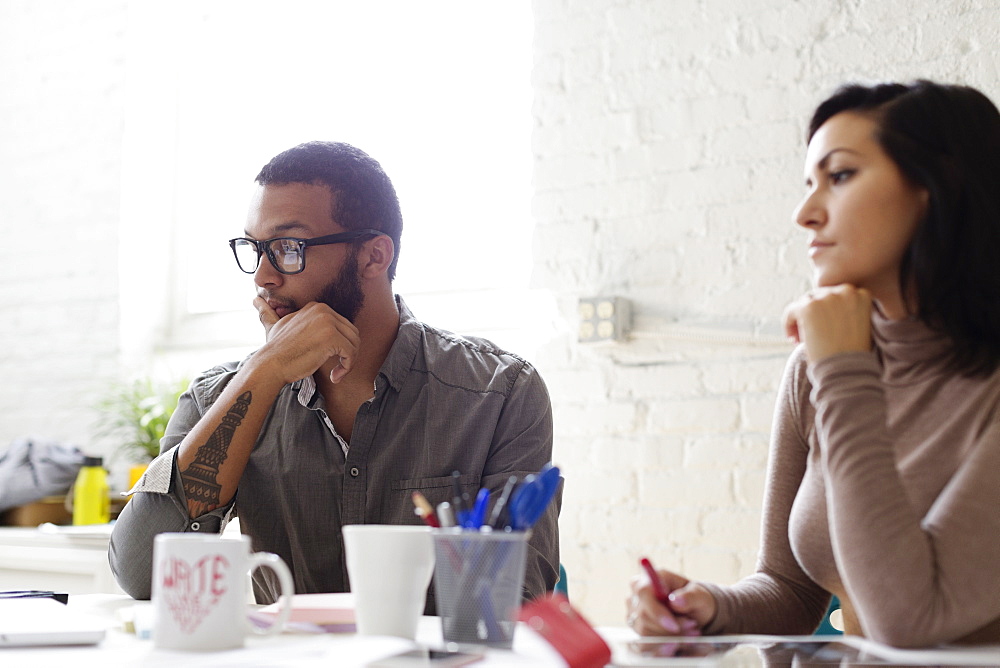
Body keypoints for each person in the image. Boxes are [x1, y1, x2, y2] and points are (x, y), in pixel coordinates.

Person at [627, 80, 1000, 647]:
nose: (805, 213)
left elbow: (909, 620)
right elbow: (792, 591)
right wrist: (710, 607)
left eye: (840, 175)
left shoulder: (838, 365)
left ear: (937, 185)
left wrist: (845, 370)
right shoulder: (818, 365)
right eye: (808, 183)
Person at [109, 141, 560, 609]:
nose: (263, 276)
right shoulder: (220, 394)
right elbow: (143, 574)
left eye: (288, 247)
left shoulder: (499, 393)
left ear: (374, 256)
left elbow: (521, 600)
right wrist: (265, 371)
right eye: (254, 248)